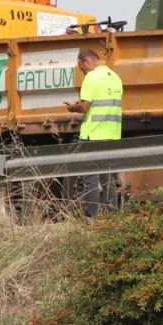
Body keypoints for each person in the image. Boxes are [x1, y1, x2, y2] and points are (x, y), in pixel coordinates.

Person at [65, 46, 123, 216]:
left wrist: (72, 108)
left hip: (93, 135)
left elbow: (84, 107)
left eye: (82, 68)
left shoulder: (92, 77)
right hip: (112, 134)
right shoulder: (115, 77)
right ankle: (112, 215)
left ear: (87, 61)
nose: (83, 72)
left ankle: (92, 217)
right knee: (108, 179)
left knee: (90, 178)